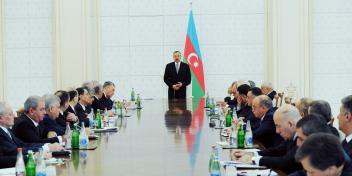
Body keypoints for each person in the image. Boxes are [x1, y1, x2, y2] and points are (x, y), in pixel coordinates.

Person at [234, 105, 302, 174]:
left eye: (278, 126)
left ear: (290, 124)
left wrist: (253, 159)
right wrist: (252, 154)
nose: (277, 131)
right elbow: (277, 151)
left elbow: (285, 162)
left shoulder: (303, 137)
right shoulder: (292, 135)